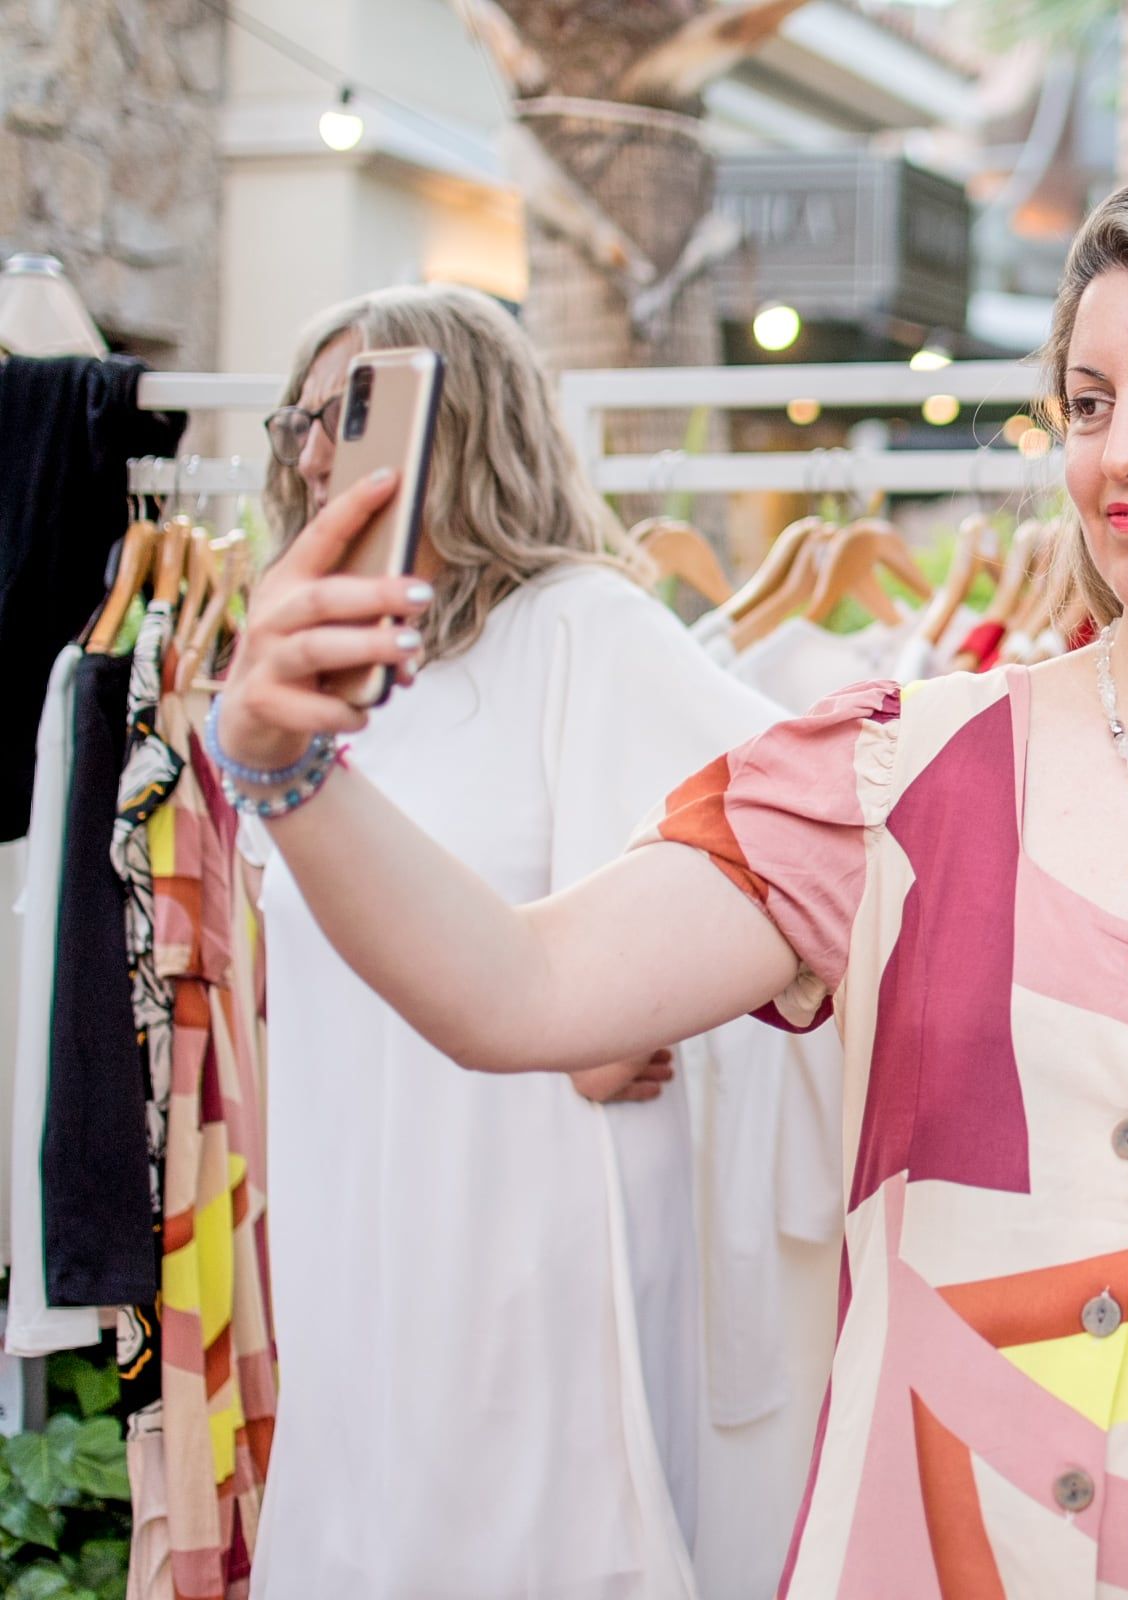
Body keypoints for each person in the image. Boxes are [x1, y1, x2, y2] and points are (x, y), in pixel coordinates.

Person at [216, 173, 1128, 1597]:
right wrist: (284, 768)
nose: (1122, 453)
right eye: (1089, 403)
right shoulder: (890, 781)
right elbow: (522, 993)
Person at [240, 284, 830, 1600]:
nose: (323, 453)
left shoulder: (582, 626)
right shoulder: (325, 673)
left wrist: (642, 1013)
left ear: (469, 424)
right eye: (306, 420)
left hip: (531, 1208)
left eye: (361, 410)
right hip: (359, 1197)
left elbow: (795, 855)